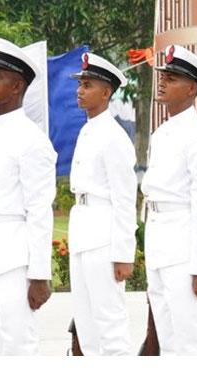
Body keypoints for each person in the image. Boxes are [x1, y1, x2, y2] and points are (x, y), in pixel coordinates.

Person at [0, 37, 57, 356]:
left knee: (17, 346)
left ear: (16, 86)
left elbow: (39, 210)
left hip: (11, 258)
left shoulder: (32, 140)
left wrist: (39, 275)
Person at [140, 44, 197, 355]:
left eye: (172, 78)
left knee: (191, 339)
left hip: (183, 245)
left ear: (192, 89)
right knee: (168, 339)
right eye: (163, 76)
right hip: (159, 240)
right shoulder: (162, 132)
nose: (162, 82)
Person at [67, 52, 136, 355]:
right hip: (83, 232)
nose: (80, 90)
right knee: (86, 326)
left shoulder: (114, 137)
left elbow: (125, 199)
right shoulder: (87, 129)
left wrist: (123, 254)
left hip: (103, 238)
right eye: (80, 84)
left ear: (106, 92)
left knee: (110, 324)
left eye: (88, 85)